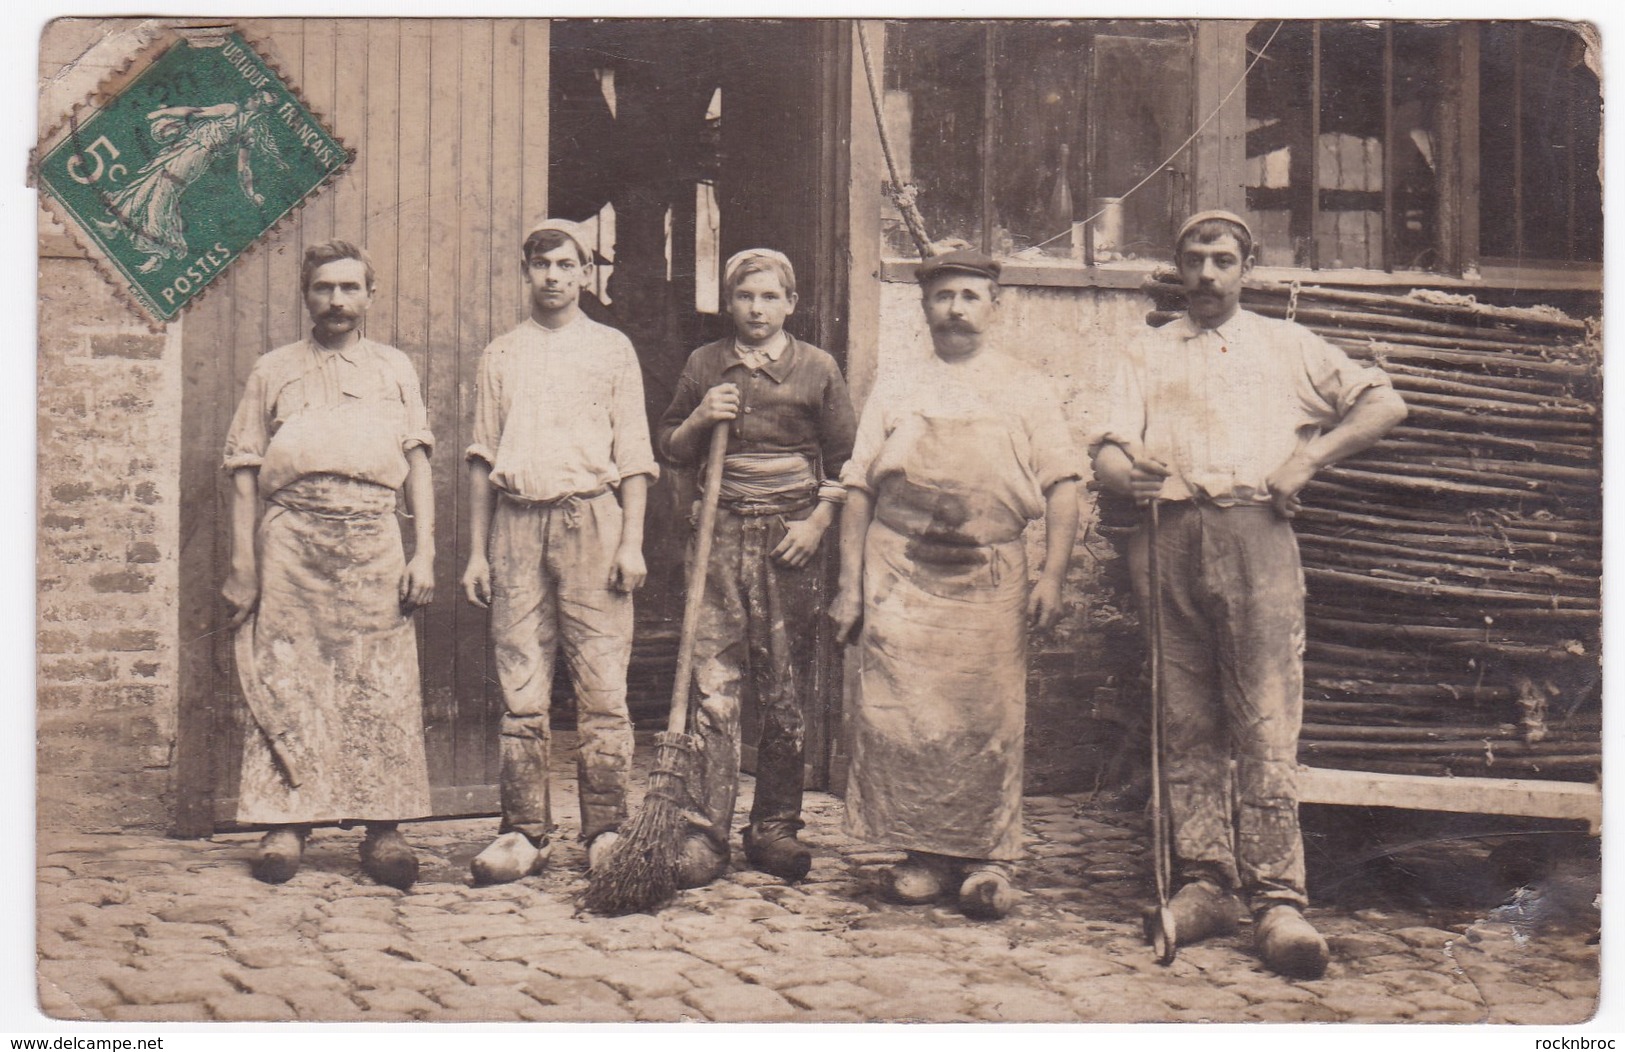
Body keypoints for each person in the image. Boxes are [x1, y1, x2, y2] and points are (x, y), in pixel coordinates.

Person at [1090, 210, 1407, 978]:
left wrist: (1309, 461)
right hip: (1168, 535)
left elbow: (1384, 403)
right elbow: (1105, 444)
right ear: (1175, 266)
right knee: (1184, 713)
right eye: (1194, 259)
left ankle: (1277, 899)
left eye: (1222, 261)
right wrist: (1116, 469)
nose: (1206, 275)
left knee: (1264, 715)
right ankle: (1205, 883)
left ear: (1246, 268)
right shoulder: (1144, 349)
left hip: (1255, 532)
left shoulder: (1284, 346)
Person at [830, 248, 1081, 920]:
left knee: (986, 718)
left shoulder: (1024, 387)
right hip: (902, 574)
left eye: (970, 296)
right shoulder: (898, 383)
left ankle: (990, 860)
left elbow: (1062, 486)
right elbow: (856, 486)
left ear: (993, 307)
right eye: (943, 297)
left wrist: (1051, 575)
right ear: (924, 307)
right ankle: (922, 855)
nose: (956, 309)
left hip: (989, 576)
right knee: (908, 718)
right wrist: (851, 588)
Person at [222, 239, 435, 890]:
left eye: (349, 288)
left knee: (380, 680)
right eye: (324, 288)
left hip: (373, 537)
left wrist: (425, 551)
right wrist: (243, 564)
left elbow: (419, 462)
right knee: (290, 677)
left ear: (370, 296)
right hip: (291, 540)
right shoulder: (273, 369)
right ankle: (285, 824)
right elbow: (242, 468)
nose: (337, 301)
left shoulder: (394, 368)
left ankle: (384, 828)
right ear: (306, 295)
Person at [461, 218, 657, 884]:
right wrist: (478, 553)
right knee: (522, 686)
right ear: (526, 272)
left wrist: (630, 542)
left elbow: (633, 454)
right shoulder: (502, 354)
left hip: (590, 522)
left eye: (565, 264)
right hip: (517, 526)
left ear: (584, 274)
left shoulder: (611, 350)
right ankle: (522, 832)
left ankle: (605, 830)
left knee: (602, 687)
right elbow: (483, 457)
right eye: (541, 264)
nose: (552, 276)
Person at [656, 249, 857, 886]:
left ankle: (774, 827)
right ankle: (705, 831)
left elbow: (851, 463)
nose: (757, 309)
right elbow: (671, 448)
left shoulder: (818, 369)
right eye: (746, 297)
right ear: (730, 303)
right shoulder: (705, 363)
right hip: (718, 533)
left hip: (788, 540)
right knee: (713, 686)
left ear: (790, 304)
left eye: (770, 298)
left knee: (784, 689)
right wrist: (699, 416)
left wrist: (817, 523)